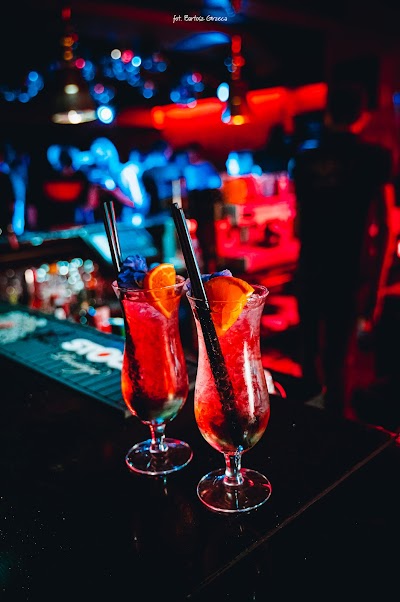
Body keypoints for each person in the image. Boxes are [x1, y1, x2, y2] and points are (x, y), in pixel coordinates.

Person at [289, 82, 394, 418]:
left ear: (328, 113)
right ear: (363, 115)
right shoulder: (375, 157)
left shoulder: (303, 159)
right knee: (339, 361)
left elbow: (298, 226)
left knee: (308, 357)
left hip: (310, 269)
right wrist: (376, 290)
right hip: (350, 271)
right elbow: (387, 227)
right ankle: (336, 429)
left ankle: (307, 426)